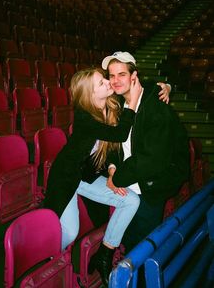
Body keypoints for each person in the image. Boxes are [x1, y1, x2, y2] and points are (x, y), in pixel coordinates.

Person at [77, 51, 190, 284]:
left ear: (133, 76)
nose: (116, 80)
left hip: (151, 185)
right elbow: (115, 147)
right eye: (111, 75)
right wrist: (111, 170)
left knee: (143, 247)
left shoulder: (155, 105)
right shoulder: (117, 104)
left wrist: (116, 180)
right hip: (129, 183)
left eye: (122, 74)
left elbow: (152, 160)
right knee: (130, 243)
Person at [44, 67, 142, 256]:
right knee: (70, 232)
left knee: (131, 200)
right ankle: (47, 257)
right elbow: (120, 135)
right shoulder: (84, 118)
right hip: (66, 176)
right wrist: (133, 104)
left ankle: (104, 254)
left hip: (87, 175)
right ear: (91, 93)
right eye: (102, 82)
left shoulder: (111, 106)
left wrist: (166, 86)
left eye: (105, 79)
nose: (108, 82)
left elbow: (113, 148)